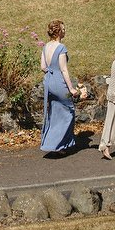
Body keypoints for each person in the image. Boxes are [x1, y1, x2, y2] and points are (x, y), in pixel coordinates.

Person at [40, 20, 88, 155]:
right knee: (69, 111)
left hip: (48, 81)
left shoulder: (45, 47)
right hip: (58, 82)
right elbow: (64, 70)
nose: (65, 31)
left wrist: (51, 73)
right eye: (63, 29)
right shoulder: (61, 47)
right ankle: (59, 144)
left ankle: (53, 143)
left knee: (55, 111)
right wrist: (71, 88)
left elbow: (43, 67)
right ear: (58, 32)